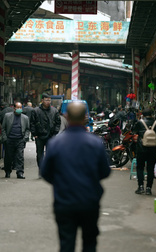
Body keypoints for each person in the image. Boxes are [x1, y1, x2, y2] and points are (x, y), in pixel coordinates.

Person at [41, 101, 111, 252]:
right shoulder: (95, 143)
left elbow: (45, 172)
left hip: (64, 201)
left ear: (66, 116)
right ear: (85, 117)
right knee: (89, 242)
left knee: (66, 243)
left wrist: (60, 182)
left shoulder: (55, 143)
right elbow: (105, 171)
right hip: (89, 201)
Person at [132, 108, 156, 195]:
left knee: (140, 167)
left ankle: (140, 187)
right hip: (153, 150)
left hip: (141, 149)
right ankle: (149, 189)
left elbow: (134, 131)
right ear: (152, 114)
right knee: (150, 168)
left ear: (143, 114)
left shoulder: (140, 123)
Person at [30, 93, 61, 175]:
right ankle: (41, 169)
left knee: (50, 153)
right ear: (42, 100)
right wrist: (34, 133)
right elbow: (32, 123)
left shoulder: (54, 111)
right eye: (46, 100)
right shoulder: (36, 111)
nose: (48, 102)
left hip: (50, 135)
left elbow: (58, 122)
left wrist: (55, 132)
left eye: (49, 100)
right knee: (39, 154)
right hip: (39, 136)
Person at [1, 102, 30, 179]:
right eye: (18, 108)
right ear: (14, 108)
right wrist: (5, 138)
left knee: (20, 157)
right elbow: (3, 128)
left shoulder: (25, 118)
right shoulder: (7, 116)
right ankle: (7, 171)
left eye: (21, 108)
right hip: (9, 139)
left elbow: (27, 129)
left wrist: (25, 138)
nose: (19, 109)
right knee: (8, 157)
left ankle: (20, 172)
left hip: (20, 140)